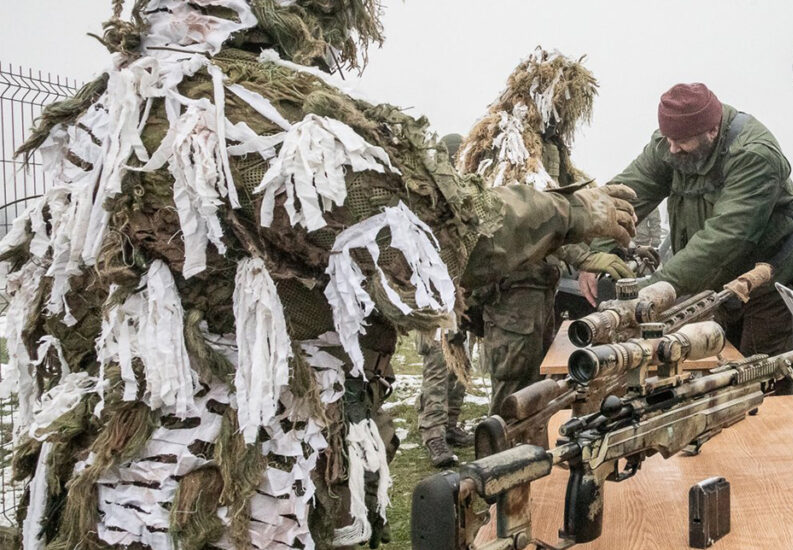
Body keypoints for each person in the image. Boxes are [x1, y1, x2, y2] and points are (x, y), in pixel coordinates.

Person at [1, 3, 639, 548]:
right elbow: (433, 237)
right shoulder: (242, 109)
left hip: (146, 445)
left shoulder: (116, 105)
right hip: (238, 461)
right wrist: (574, 211)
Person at [459, 49, 635, 430]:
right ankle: (502, 471)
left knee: (538, 386)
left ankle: (528, 465)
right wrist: (585, 255)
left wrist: (598, 230)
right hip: (512, 291)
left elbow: (568, 200)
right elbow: (526, 218)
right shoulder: (508, 141)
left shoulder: (550, 145)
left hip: (540, 285)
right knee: (514, 388)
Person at [581, 82, 793, 359]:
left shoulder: (754, 155)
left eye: (681, 142)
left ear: (712, 131)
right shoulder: (671, 142)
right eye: (668, 140)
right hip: (717, 286)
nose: (673, 149)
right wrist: (595, 254)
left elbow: (723, 240)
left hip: (767, 286)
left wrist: (650, 292)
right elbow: (625, 196)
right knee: (714, 368)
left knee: (761, 376)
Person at [416, 133, 472, 467]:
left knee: (460, 363)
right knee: (437, 366)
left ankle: (450, 424)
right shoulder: (428, 202)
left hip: (458, 297)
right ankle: (433, 433)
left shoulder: (460, 200)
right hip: (432, 297)